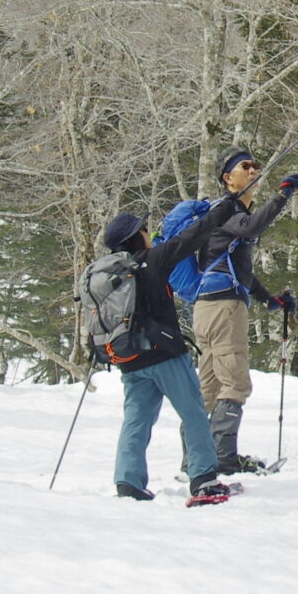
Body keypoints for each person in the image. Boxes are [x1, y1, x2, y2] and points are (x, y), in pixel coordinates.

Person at [90, 196, 249, 503]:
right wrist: (227, 207)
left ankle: (128, 480)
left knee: (136, 419)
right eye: (144, 230)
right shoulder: (152, 259)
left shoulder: (108, 274)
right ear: (136, 237)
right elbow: (194, 236)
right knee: (193, 413)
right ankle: (203, 478)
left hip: (129, 359)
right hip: (164, 354)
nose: (148, 233)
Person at [177, 150, 298, 475]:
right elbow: (250, 227)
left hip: (209, 307)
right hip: (223, 308)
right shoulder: (227, 209)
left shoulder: (226, 214)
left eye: (255, 166)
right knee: (234, 382)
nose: (253, 170)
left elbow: (240, 269)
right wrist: (282, 195)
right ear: (227, 178)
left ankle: (195, 458)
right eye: (245, 166)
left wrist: (268, 301)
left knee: (210, 385)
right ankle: (222, 460)